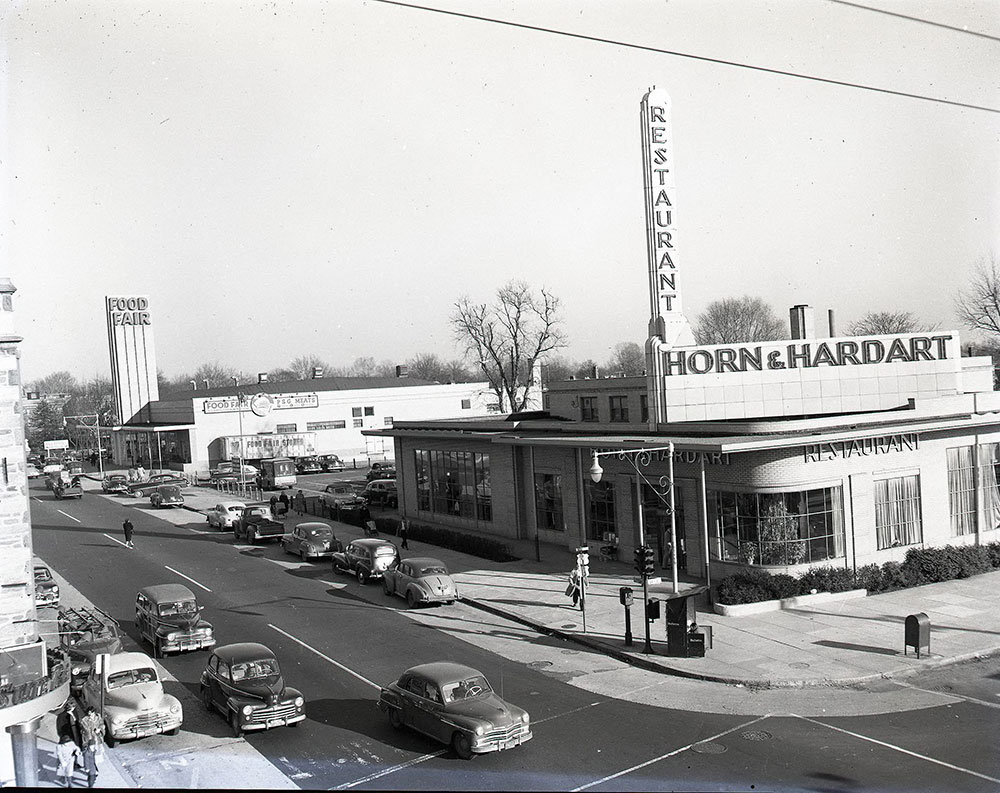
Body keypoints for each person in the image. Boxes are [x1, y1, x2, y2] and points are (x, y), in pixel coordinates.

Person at [79, 707, 105, 788]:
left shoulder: (98, 718)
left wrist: (100, 730)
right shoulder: (84, 720)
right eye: (89, 714)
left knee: (96, 757)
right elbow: (83, 731)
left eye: (91, 713)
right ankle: (93, 773)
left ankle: (94, 770)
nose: (90, 715)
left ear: (94, 713)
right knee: (91, 757)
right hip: (89, 742)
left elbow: (102, 725)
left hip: (97, 741)